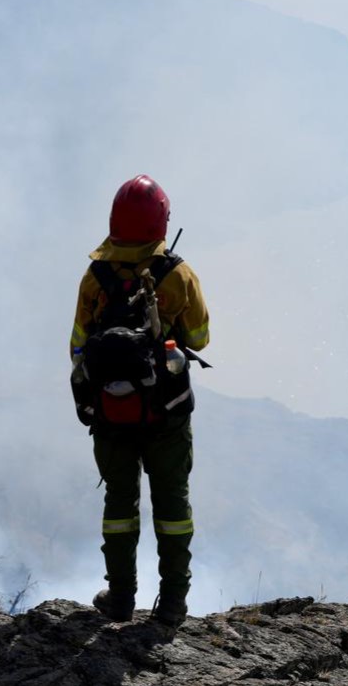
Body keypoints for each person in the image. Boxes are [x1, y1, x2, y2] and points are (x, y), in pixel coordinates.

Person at [69, 175, 210, 628]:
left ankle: (121, 599)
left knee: (119, 504)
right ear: (162, 220)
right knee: (172, 506)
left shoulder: (95, 277)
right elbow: (201, 339)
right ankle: (171, 605)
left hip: (110, 413)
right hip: (166, 413)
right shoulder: (178, 274)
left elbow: (77, 346)